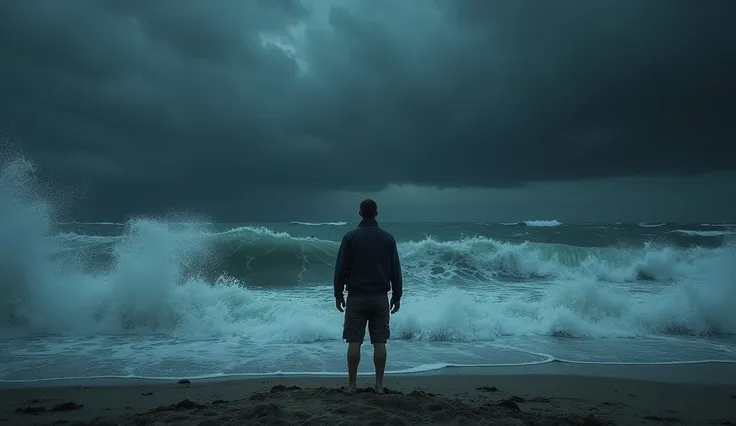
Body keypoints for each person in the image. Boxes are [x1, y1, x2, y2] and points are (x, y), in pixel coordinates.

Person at [333, 199, 403, 394]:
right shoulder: (387, 239)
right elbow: (395, 270)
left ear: (360, 213)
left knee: (354, 342)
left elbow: (341, 269)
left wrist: (338, 294)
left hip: (356, 297)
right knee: (380, 342)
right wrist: (397, 296)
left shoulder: (350, 237)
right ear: (377, 213)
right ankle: (379, 385)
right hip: (380, 297)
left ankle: (352, 385)